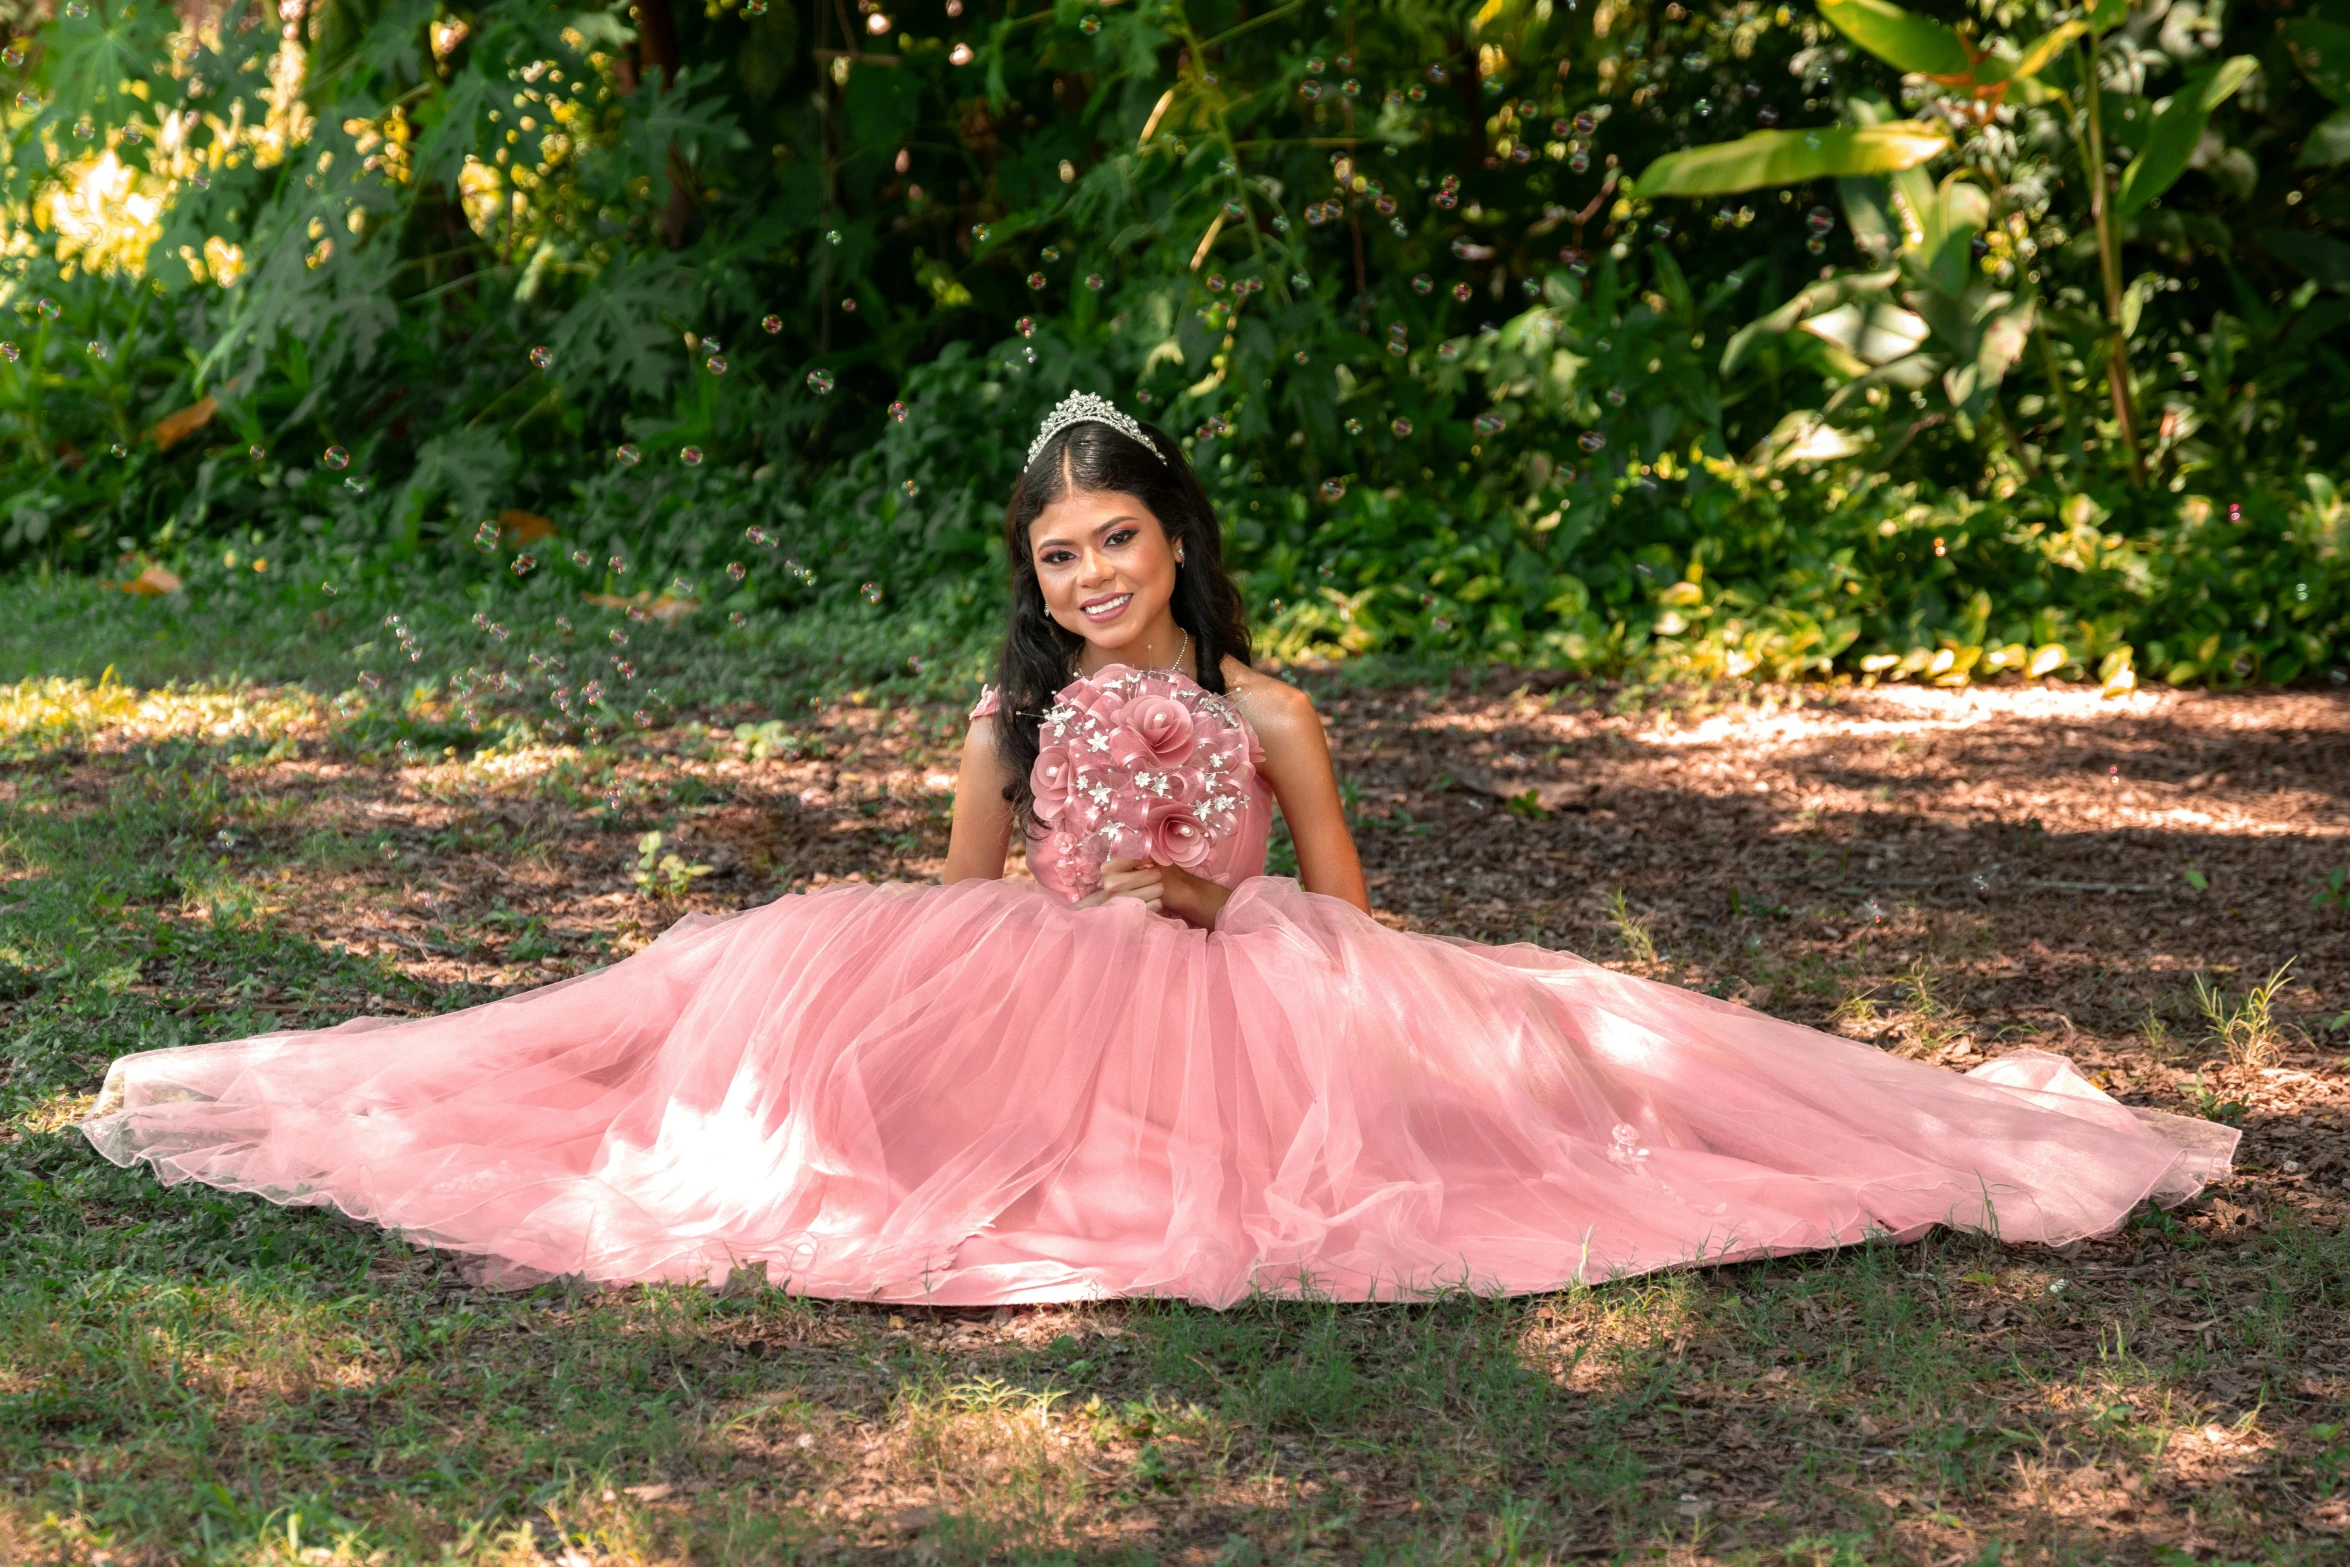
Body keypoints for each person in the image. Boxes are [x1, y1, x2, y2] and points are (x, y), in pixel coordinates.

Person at [80, 393, 2238, 1306]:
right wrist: (964, 947)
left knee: (1546, 1076)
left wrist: (1246, 908)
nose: (1092, 573)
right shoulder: (1011, 702)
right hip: (1034, 964)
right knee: (786, 1053)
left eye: (1118, 540)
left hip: (1251, 968)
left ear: (1176, 539)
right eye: (1057, 550)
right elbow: (953, 891)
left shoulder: (1274, 709)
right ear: (1032, 571)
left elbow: (1360, 915)